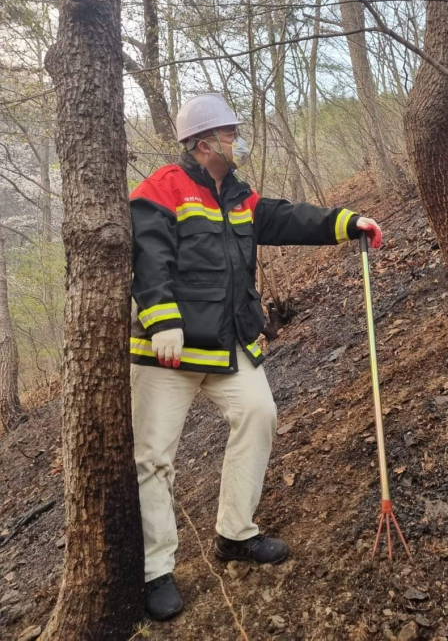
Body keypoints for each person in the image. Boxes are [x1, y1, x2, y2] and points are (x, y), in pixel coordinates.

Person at [129, 93, 382, 620]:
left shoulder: (241, 196)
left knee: (260, 414)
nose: (239, 138)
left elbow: (287, 219)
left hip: (228, 342)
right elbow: (148, 257)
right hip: (167, 349)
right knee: (154, 458)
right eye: (230, 132)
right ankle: (157, 570)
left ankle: (235, 534)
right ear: (203, 142)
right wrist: (162, 321)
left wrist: (347, 222)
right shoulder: (162, 188)